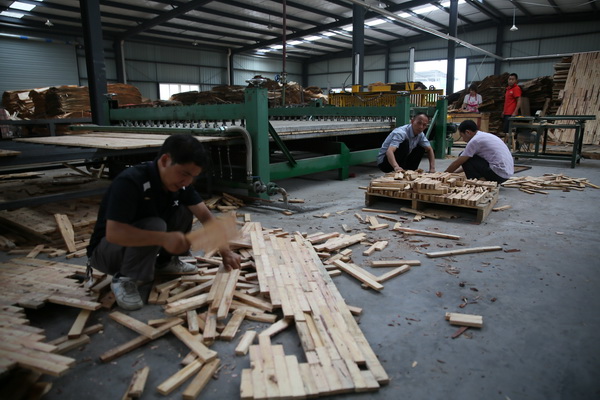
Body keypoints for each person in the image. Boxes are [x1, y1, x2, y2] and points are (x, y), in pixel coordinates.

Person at [86, 134, 241, 310]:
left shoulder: (181, 184)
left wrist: (226, 252)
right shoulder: (131, 181)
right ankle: (124, 278)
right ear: (165, 160)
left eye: (193, 176)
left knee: (184, 210)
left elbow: (205, 216)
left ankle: (165, 262)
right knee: (155, 225)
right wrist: (164, 239)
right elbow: (114, 233)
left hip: (132, 246)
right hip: (105, 253)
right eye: (184, 173)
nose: (187, 181)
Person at [445, 120, 513, 183]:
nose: (463, 140)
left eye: (462, 136)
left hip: (498, 175)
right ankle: (483, 179)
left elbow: (458, 163)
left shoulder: (475, 140)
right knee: (468, 157)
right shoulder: (483, 135)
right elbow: (471, 165)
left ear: (468, 132)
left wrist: (444, 174)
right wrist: (454, 173)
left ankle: (479, 182)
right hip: (505, 175)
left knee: (462, 155)